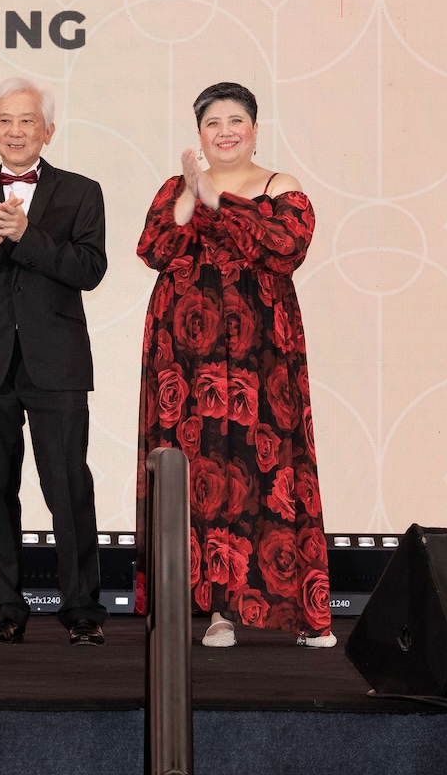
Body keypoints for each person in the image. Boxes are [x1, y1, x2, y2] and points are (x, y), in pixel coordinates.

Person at [135, 82, 332, 648]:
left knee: (265, 465)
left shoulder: (281, 186)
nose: (225, 132)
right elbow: (155, 249)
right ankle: (217, 613)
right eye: (213, 123)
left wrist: (219, 202)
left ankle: (304, 616)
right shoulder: (176, 187)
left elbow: (285, 249)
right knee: (198, 467)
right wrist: (191, 196)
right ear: (199, 134)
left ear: (255, 128)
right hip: (185, 351)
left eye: (235, 121)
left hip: (260, 352)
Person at [0, 78, 108, 646]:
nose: (16, 131)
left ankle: (82, 610)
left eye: (27, 120)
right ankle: (5, 609)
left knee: (68, 487)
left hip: (56, 362)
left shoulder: (81, 191)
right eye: (5, 121)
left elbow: (89, 270)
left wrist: (27, 236)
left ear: (48, 130)